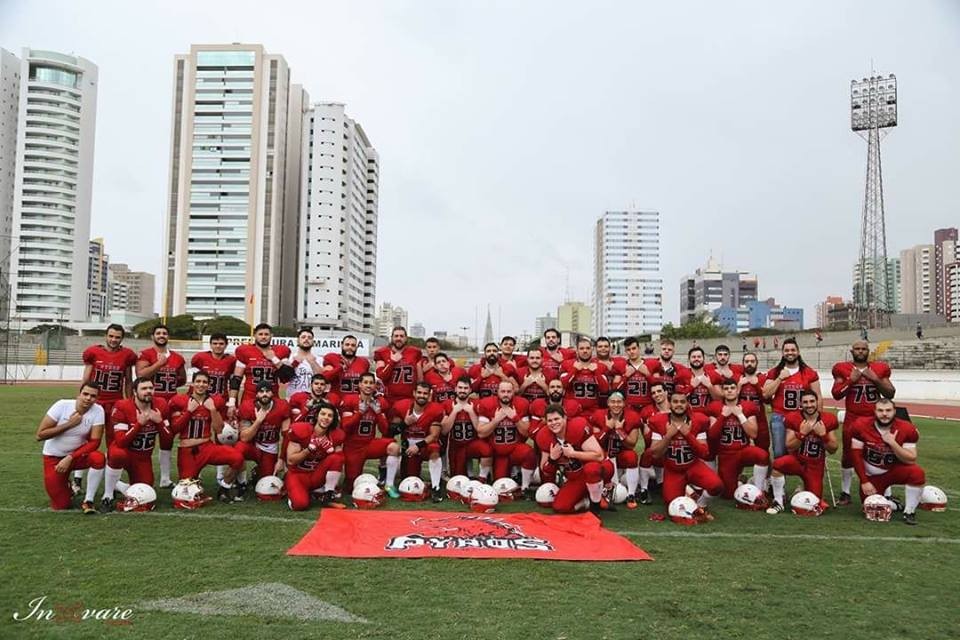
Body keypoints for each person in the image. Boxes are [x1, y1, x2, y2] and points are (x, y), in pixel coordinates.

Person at [831, 340, 895, 505]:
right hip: (853, 417)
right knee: (848, 456)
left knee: (882, 454)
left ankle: (886, 493)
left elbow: (890, 393)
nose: (860, 351)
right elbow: (837, 394)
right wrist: (851, 380)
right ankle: (845, 492)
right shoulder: (842, 368)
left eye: (863, 349)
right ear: (851, 351)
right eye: (857, 349)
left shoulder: (879, 368)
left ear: (868, 351)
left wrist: (875, 379)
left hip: (875, 419)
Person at [76, 324, 137, 496]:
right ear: (106, 335)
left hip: (115, 404)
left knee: (114, 442)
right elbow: (86, 378)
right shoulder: (93, 352)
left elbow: (128, 381)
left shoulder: (127, 355)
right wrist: (80, 400)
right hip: (95, 403)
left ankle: (113, 480)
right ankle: (78, 478)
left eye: (117, 337)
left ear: (122, 338)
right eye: (111, 336)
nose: (113, 340)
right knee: (86, 438)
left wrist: (129, 402)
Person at [169, 371, 244, 502]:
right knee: (186, 492)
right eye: (198, 381)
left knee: (237, 457)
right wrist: (188, 411)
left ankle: (224, 487)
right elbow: (174, 429)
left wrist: (213, 410)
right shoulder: (180, 400)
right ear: (192, 383)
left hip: (206, 447)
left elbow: (219, 429)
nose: (201, 385)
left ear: (209, 385)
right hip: (188, 451)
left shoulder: (213, 401)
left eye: (204, 382)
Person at [647, 390, 723, 519]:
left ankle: (701, 504)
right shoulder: (659, 421)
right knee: (672, 505)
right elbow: (655, 454)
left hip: (693, 466)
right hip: (673, 470)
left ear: (687, 404)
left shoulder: (698, 421)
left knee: (716, 486)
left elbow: (704, 453)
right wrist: (668, 436)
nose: (679, 405)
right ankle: (690, 492)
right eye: (675, 401)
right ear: (670, 404)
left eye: (682, 402)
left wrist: (688, 435)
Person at [849, 399, 926, 525]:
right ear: (874, 411)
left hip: (894, 470)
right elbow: (855, 455)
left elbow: (911, 458)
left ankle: (909, 512)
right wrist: (864, 481)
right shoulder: (861, 425)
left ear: (894, 411)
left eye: (888, 410)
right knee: (871, 508)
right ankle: (894, 505)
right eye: (880, 410)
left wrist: (893, 443)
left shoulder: (906, 428)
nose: (884, 414)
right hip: (872, 476)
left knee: (917, 473)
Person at [37, 382, 106, 513]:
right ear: (79, 394)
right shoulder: (62, 405)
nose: (88, 398)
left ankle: (88, 501)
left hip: (76, 456)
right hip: (54, 458)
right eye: (85, 394)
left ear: (96, 398)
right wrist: (69, 424)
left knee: (98, 458)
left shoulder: (98, 410)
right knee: (61, 505)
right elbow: (40, 435)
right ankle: (67, 486)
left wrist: (70, 457)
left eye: (93, 396)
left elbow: (95, 442)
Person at [102, 378, 170, 511]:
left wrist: (160, 422)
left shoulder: (161, 405)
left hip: (143, 457)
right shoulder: (122, 406)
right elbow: (121, 441)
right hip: (125, 452)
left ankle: (118, 485)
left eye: (150, 388)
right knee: (117, 454)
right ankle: (108, 495)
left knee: (145, 493)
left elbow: (168, 440)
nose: (148, 391)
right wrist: (139, 425)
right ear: (134, 392)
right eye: (144, 389)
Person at [766, 390, 838, 514]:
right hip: (797, 461)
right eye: (805, 402)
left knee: (813, 502)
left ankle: (801, 490)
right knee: (778, 464)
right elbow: (789, 446)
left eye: (812, 401)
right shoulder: (793, 418)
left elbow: (833, 449)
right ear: (800, 404)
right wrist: (802, 434)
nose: (809, 405)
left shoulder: (828, 419)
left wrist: (823, 435)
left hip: (815, 466)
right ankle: (778, 501)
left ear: (817, 402)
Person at [536, 404, 612, 515]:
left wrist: (573, 454)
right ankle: (589, 500)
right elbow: (545, 470)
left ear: (565, 418)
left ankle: (596, 507)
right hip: (576, 477)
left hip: (598, 469)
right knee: (561, 507)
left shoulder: (576, 428)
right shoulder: (545, 437)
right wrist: (552, 459)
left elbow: (598, 456)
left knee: (591, 469)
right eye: (550, 420)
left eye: (557, 419)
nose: (553, 423)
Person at [136, 324, 187, 488]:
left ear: (168, 336)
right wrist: (159, 364)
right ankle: (138, 472)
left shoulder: (178, 358)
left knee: (167, 439)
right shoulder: (146, 354)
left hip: (170, 403)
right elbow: (141, 375)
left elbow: (182, 379)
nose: (161, 335)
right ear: (153, 336)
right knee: (145, 438)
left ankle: (165, 478)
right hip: (150, 403)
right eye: (158, 333)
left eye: (164, 333)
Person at [339, 373, 402, 495]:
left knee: (394, 447)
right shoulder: (350, 400)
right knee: (350, 486)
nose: (368, 385)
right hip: (353, 447)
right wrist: (359, 413)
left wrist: (378, 412)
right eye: (365, 382)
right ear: (360, 385)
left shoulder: (379, 402)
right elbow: (345, 427)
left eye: (371, 383)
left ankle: (388, 484)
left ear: (375, 386)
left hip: (369, 443)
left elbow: (385, 430)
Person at [706, 379, 769, 498]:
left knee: (763, 455)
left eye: (732, 388)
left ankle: (759, 490)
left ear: (737, 390)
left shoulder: (747, 406)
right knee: (728, 494)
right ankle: (741, 482)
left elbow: (754, 434)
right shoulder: (715, 407)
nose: (729, 391)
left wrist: (740, 415)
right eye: (726, 388)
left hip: (744, 450)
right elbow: (712, 435)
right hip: (726, 455)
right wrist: (723, 416)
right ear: (723, 392)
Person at [763, 338, 821, 459]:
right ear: (782, 353)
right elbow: (765, 394)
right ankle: (779, 477)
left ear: (798, 352)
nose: (790, 353)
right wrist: (779, 378)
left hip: (801, 416)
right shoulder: (775, 372)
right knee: (779, 452)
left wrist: (817, 418)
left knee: (802, 452)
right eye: (787, 350)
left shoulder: (809, 373)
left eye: (793, 350)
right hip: (780, 416)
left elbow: (818, 396)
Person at [388, 382, 446, 502]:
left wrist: (418, 446)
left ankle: (436, 486)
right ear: (414, 393)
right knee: (410, 480)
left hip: (425, 446)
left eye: (425, 393)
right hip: (409, 449)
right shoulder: (402, 407)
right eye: (419, 392)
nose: (422, 396)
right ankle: (390, 479)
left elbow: (434, 435)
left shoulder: (435, 409)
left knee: (434, 448)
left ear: (429, 395)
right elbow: (391, 431)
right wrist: (405, 424)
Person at [285, 402, 346, 510]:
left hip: (316, 475)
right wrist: (308, 450)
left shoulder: (335, 435)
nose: (326, 418)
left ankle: (328, 495)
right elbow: (290, 461)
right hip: (298, 475)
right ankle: (296, 492)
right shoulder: (301, 430)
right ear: (317, 415)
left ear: (333, 419)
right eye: (323, 414)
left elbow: (338, 461)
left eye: (330, 415)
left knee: (337, 457)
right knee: (300, 505)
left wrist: (329, 450)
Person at [477, 381, 537, 489]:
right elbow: (481, 433)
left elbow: (526, 432)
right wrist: (495, 421)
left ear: (513, 392)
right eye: (503, 391)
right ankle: (488, 476)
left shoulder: (521, 404)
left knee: (529, 454)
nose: (506, 394)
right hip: (497, 451)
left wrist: (516, 418)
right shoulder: (487, 404)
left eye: (509, 391)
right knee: (500, 484)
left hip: (514, 449)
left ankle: (525, 487)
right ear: (497, 392)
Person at [587, 391, 642, 509]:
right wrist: (607, 428)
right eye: (612, 402)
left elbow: (632, 444)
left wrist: (619, 431)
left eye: (619, 402)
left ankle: (631, 494)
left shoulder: (632, 416)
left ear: (624, 404)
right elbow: (595, 441)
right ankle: (604, 492)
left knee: (632, 456)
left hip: (621, 453)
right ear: (607, 403)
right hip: (604, 455)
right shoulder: (599, 415)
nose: (616, 404)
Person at [236, 381, 292, 485]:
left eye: (268, 391)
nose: (265, 394)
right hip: (253, 446)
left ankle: (257, 472)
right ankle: (241, 482)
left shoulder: (282, 406)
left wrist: (281, 459)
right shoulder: (247, 407)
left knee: (266, 484)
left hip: (270, 448)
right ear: (256, 394)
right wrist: (258, 421)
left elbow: (286, 436)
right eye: (261, 392)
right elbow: (244, 438)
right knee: (239, 448)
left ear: (273, 393)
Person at [440, 377, 493, 479]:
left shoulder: (477, 404)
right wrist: (454, 412)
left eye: (465, 388)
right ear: (455, 389)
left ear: (470, 390)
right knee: (458, 478)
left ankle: (483, 478)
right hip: (456, 445)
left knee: (486, 450)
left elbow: (480, 430)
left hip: (472, 443)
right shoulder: (447, 404)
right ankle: (468, 474)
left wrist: (471, 412)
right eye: (460, 388)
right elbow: (444, 431)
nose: (462, 391)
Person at [374, 326, 423, 407]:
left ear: (406, 338)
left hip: (409, 398)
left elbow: (420, 378)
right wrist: (392, 362)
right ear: (392, 338)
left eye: (401, 336)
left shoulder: (415, 352)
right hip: (389, 398)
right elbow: (381, 376)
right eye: (396, 336)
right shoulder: (382, 352)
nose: (398, 338)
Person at [559, 337, 609, 412]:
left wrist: (596, 372)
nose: (585, 351)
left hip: (593, 410)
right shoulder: (567, 364)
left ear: (592, 350)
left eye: (588, 348)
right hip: (573, 411)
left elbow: (604, 390)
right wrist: (574, 370)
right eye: (581, 348)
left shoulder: (600, 367)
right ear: (577, 350)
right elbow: (563, 385)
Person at [190, 333, 237, 398]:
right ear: (210, 345)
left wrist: (232, 401)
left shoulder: (231, 360)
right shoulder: (200, 358)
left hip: (222, 398)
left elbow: (234, 383)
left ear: (226, 345)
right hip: (203, 398)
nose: (218, 346)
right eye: (215, 343)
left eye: (221, 344)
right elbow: (194, 380)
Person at [617, 336, 653, 411]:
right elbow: (616, 390)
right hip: (629, 408)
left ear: (639, 348)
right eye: (628, 349)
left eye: (634, 348)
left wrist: (648, 375)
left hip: (647, 406)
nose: (631, 351)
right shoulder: (621, 366)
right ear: (625, 351)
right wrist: (626, 376)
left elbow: (658, 386)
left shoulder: (650, 364)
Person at [286, 327, 323, 396]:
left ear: (313, 342)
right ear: (298, 341)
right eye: (303, 337)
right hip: (292, 398)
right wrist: (295, 363)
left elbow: (321, 379)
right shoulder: (290, 358)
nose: (306, 339)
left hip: (312, 399)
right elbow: (285, 378)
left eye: (309, 338)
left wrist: (312, 362)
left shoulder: (319, 359)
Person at [685, 347, 713, 414]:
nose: (696, 359)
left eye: (699, 357)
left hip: (707, 415)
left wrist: (710, 386)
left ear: (703, 359)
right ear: (689, 359)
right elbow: (676, 399)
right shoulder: (682, 375)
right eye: (693, 357)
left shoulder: (712, 375)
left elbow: (719, 399)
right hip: (688, 415)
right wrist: (691, 386)